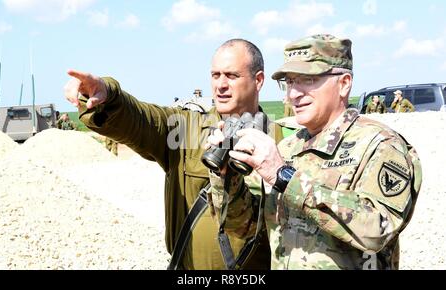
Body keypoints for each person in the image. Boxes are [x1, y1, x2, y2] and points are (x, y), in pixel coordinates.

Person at [206, 34, 422, 269]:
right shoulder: (288, 148)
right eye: (289, 82)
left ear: (344, 83)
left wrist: (285, 178)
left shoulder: (381, 146)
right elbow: (244, 228)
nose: (293, 94)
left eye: (307, 80)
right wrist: (227, 177)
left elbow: (378, 230)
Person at [63, 39, 283, 270]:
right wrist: (108, 96)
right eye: (215, 75)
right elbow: (140, 118)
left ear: (258, 80)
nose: (220, 85)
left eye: (231, 75)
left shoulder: (282, 143)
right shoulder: (184, 130)